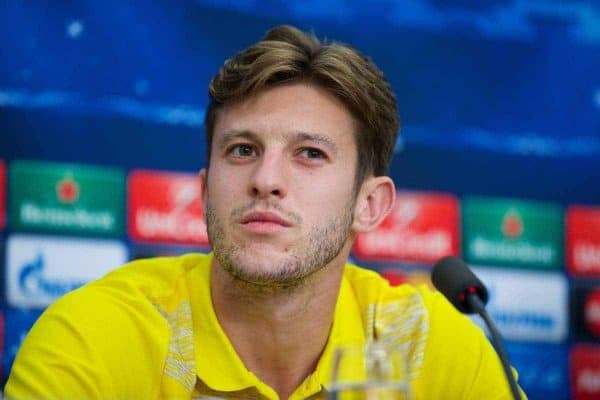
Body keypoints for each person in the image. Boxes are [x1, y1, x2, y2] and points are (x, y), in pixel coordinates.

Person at [5, 25, 525, 399]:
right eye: (243, 150)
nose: (266, 180)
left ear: (369, 205)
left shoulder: (428, 348)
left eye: (310, 154)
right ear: (207, 190)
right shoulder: (98, 336)